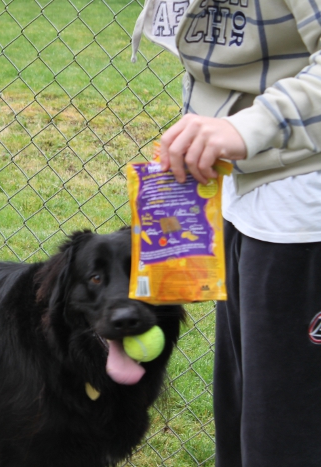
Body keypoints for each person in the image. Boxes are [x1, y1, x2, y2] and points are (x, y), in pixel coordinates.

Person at [131, 2, 321, 466]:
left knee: (287, 441)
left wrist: (248, 126)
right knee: (246, 431)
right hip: (243, 185)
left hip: (302, 202)